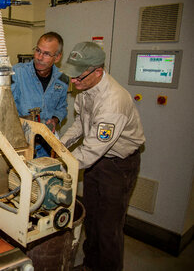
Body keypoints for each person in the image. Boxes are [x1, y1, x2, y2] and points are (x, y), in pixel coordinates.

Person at [59, 42, 145, 271]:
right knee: (92, 219)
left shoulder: (113, 101)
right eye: (72, 76)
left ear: (97, 71)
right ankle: (91, 265)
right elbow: (80, 123)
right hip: (96, 161)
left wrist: (60, 165)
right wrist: (59, 145)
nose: (74, 82)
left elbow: (93, 149)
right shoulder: (85, 89)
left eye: (79, 77)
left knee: (109, 227)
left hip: (118, 166)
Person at [11, 32, 69, 157]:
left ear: (57, 57)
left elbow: (62, 107)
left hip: (45, 147)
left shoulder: (62, 79)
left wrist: (55, 120)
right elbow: (5, 108)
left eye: (47, 54)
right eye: (38, 50)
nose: (39, 57)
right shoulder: (17, 73)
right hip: (20, 144)